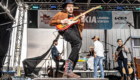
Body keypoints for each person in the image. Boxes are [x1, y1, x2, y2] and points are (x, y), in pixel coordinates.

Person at [49, 0, 85, 78]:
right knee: (78, 43)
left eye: (72, 6)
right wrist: (61, 21)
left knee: (76, 54)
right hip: (67, 31)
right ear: (65, 7)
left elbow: (80, 30)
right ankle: (68, 70)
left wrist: (81, 20)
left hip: (75, 34)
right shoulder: (60, 14)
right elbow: (51, 22)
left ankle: (69, 72)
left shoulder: (76, 18)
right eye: (69, 6)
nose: (71, 8)